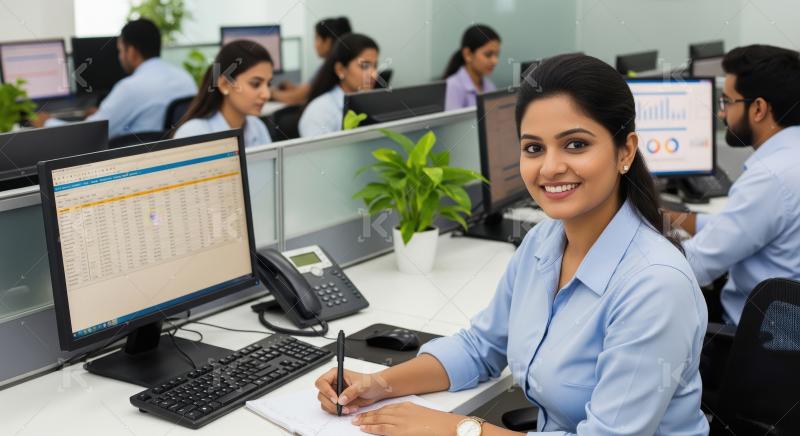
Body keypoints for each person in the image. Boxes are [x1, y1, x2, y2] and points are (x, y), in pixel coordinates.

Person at [313, 54, 709, 435]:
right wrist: (377, 384)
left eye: (576, 144)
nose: (550, 167)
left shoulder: (655, 285)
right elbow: (482, 346)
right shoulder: (544, 241)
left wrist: (459, 429)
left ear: (625, 151)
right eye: (534, 148)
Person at [664, 45, 800, 326]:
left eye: (727, 102)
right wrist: (668, 218)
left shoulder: (770, 179)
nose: (722, 114)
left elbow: (694, 266)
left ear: (759, 108)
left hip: (754, 342)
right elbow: (746, 224)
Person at [33, 19, 196, 138]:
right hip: (171, 158)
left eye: (120, 50)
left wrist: (47, 123)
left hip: (134, 161)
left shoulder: (130, 88)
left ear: (131, 52)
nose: (120, 56)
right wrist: (105, 114)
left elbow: (91, 133)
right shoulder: (185, 78)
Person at [172, 40, 273, 147]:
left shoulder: (257, 126)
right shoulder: (192, 134)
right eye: (255, 84)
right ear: (225, 84)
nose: (266, 95)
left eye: (268, 84)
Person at [297, 33, 378, 137]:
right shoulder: (320, 112)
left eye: (375, 66)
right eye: (364, 66)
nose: (374, 74)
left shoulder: (370, 103)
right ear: (340, 69)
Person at [271, 17, 352, 105]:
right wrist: (294, 88)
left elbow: (298, 97)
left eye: (316, 38)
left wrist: (271, 93)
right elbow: (309, 89)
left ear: (328, 42)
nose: (315, 45)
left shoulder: (331, 67)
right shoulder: (345, 64)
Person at [442, 24, 500, 111]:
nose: (495, 61)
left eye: (497, 55)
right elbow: (453, 124)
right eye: (488, 55)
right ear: (468, 54)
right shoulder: (453, 86)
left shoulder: (489, 86)